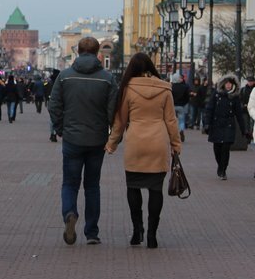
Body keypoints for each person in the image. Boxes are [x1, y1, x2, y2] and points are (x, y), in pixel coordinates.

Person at [48, 37, 119, 246]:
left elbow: (54, 106)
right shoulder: (107, 78)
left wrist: (61, 128)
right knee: (92, 185)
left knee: (70, 183)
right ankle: (92, 232)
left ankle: (70, 213)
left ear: (78, 52)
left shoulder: (65, 76)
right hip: (97, 139)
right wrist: (108, 133)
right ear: (98, 53)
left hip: (72, 139)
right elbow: (112, 109)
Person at [106, 53, 180, 249]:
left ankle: (137, 230)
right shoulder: (164, 89)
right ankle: (152, 235)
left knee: (133, 187)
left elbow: (120, 121)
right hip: (158, 142)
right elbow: (171, 120)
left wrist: (112, 143)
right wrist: (176, 145)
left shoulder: (128, 89)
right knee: (156, 190)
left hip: (135, 142)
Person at [203, 76, 249, 180]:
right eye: (226, 83)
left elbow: (239, 114)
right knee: (217, 148)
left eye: (230, 83)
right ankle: (220, 165)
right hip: (216, 124)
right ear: (223, 84)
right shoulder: (216, 94)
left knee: (225, 148)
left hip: (229, 125)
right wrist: (207, 123)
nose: (228, 85)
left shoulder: (235, 97)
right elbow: (209, 109)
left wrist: (244, 129)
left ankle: (223, 169)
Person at [170, 72, 190, 142]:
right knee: (181, 120)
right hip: (181, 106)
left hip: (173, 106)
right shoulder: (184, 87)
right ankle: (181, 130)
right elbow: (187, 97)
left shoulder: (171, 87)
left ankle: (174, 134)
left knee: (173, 121)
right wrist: (184, 103)